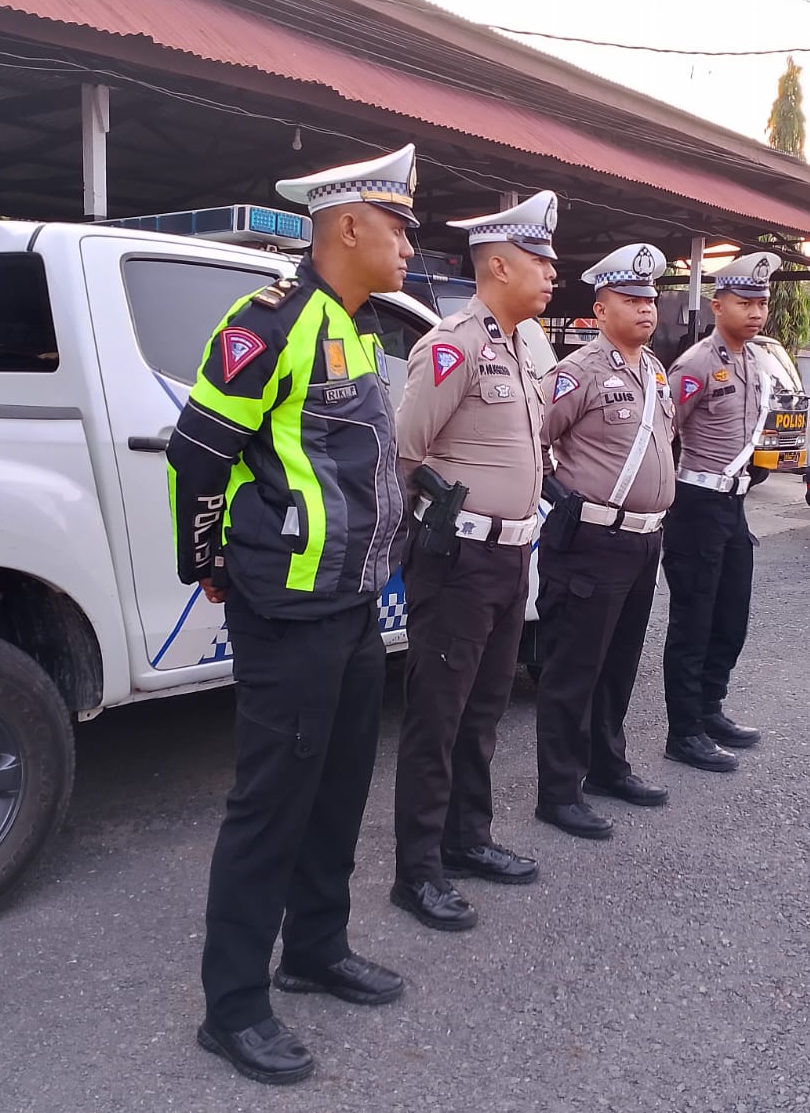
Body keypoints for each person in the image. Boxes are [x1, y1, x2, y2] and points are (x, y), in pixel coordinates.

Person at [166, 144, 418, 1086]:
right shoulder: (266, 323)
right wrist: (205, 559)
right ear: (347, 226)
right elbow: (198, 452)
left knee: (339, 789)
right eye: (396, 228)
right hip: (291, 611)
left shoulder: (357, 327)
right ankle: (232, 1008)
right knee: (270, 805)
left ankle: (316, 949)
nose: (407, 246)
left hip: (352, 607)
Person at [390, 190, 555, 931]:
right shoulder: (451, 344)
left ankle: (467, 838)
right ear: (498, 265)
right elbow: (405, 452)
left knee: (484, 709)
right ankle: (418, 871)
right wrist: (418, 540)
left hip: (510, 559)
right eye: (538, 261)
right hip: (459, 559)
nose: (551, 274)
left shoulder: (519, 348)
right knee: (438, 716)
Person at [533, 243, 676, 840]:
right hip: (591, 540)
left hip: (643, 542)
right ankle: (559, 792)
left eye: (650, 299)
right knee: (574, 669)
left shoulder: (655, 371)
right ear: (599, 309)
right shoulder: (579, 372)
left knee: (619, 664)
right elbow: (530, 437)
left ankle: (607, 767)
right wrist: (557, 494)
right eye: (631, 299)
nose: (645, 309)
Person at [660, 251, 781, 772]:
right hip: (695, 504)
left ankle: (711, 708)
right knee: (694, 619)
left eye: (762, 303)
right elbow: (660, 432)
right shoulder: (695, 364)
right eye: (744, 302)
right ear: (717, 305)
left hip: (733, 504)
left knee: (731, 617)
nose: (755, 313)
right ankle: (684, 731)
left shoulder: (753, 362)